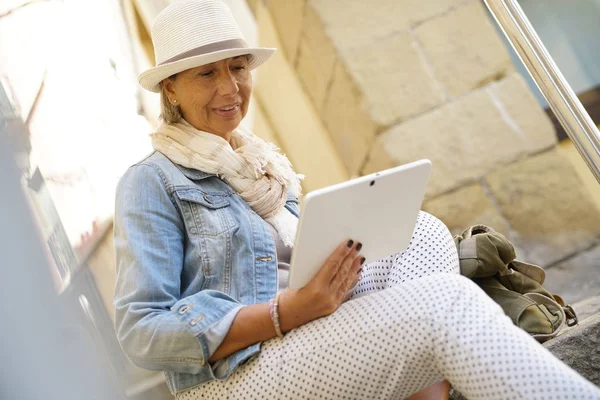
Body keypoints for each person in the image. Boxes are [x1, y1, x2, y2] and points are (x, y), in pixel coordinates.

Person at [113, 1, 600, 399]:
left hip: (310, 335)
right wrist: (287, 311)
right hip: (236, 375)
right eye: (206, 74)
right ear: (171, 89)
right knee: (445, 302)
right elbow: (141, 331)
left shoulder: (262, 163)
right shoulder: (151, 181)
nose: (230, 87)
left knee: (424, 231)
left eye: (238, 67)